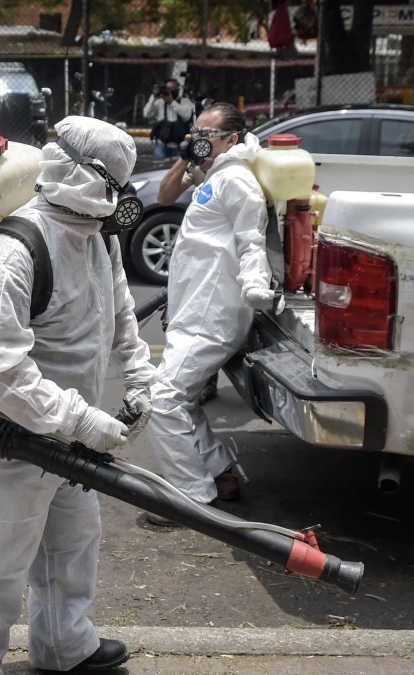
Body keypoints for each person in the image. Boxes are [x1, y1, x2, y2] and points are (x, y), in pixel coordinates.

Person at [0, 116, 157, 674]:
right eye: (111, 182)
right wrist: (81, 420)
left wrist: (139, 377)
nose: (115, 199)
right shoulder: (13, 251)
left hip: (65, 435)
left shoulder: (95, 240)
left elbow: (119, 313)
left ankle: (63, 643)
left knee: (73, 543)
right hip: (0, 442)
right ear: (80, 176)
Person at [140, 102, 272, 525]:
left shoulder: (238, 182)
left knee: (162, 399)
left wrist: (255, 286)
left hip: (212, 315)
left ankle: (190, 496)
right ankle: (220, 473)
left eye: (207, 134)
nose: (197, 139)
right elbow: (164, 195)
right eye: (194, 132)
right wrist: (189, 154)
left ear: (231, 140)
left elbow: (252, 242)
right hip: (194, 309)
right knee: (180, 397)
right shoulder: (214, 176)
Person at [145, 79, 195, 160]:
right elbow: (146, 114)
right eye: (168, 88)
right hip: (161, 144)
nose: (170, 90)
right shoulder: (160, 102)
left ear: (178, 89)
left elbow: (187, 117)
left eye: (173, 88)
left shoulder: (185, 101)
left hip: (180, 144)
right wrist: (153, 96)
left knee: (177, 170)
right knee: (158, 167)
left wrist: (172, 102)